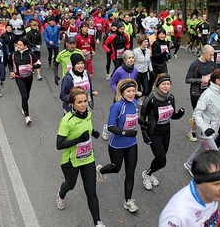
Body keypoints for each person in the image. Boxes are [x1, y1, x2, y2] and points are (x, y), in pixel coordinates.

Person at [55, 87, 106, 227]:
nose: (83, 104)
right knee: (70, 185)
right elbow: (59, 144)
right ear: (72, 104)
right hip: (71, 161)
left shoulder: (88, 113)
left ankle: (98, 222)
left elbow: (86, 129)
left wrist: (93, 132)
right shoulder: (67, 120)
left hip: (88, 158)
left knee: (91, 192)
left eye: (85, 101)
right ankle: (61, 193)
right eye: (80, 102)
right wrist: (78, 139)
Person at [95, 79, 140, 213]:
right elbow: (110, 127)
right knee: (116, 168)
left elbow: (135, 118)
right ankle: (101, 170)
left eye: (133, 90)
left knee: (130, 172)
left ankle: (128, 201)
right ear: (122, 92)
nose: (131, 94)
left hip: (132, 144)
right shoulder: (117, 106)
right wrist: (126, 132)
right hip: (117, 145)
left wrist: (145, 123)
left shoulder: (135, 103)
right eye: (128, 91)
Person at [184, 69, 220, 176]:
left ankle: (189, 163)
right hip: (206, 132)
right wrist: (205, 128)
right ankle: (207, 172)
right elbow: (197, 113)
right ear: (217, 81)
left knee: (201, 149)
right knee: (214, 153)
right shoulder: (207, 94)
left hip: (214, 128)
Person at [159, 150, 220, 227]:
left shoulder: (211, 194)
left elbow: (212, 215)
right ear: (199, 182)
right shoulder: (177, 216)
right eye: (217, 184)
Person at [139, 74, 185, 190]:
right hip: (154, 132)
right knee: (162, 160)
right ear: (157, 85)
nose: (166, 87)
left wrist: (179, 114)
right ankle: (146, 173)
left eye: (168, 84)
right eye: (163, 84)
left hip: (166, 132)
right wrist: (145, 135)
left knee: (161, 157)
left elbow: (172, 115)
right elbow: (142, 118)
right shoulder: (151, 99)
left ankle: (149, 173)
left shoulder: (171, 98)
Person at [185, 45, 218, 142]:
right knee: (197, 113)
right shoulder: (195, 64)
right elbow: (187, 80)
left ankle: (203, 128)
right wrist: (201, 80)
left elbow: (218, 72)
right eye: (210, 55)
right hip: (196, 92)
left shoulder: (211, 64)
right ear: (204, 53)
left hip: (207, 92)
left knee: (207, 112)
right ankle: (192, 132)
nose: (212, 57)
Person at [8, 38, 41, 124]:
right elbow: (9, 63)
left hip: (29, 77)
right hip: (19, 78)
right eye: (17, 44)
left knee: (27, 95)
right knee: (25, 96)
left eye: (20, 45)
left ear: (25, 46)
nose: (18, 46)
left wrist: (32, 67)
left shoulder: (30, 54)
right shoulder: (13, 55)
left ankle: (24, 106)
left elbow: (38, 64)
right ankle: (27, 116)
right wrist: (11, 71)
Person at [133, 35, 153, 99]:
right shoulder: (135, 52)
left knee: (146, 90)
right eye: (145, 42)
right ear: (140, 42)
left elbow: (149, 61)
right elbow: (132, 62)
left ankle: (140, 97)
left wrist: (151, 70)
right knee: (137, 89)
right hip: (137, 73)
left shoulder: (148, 51)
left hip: (144, 73)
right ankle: (135, 102)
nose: (146, 43)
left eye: (147, 42)